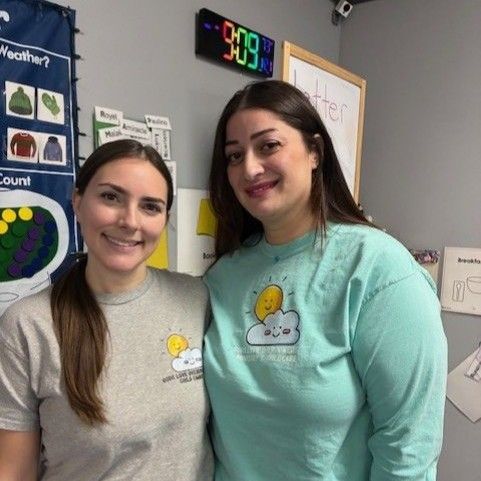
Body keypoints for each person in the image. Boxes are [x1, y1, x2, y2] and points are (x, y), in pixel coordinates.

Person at [203, 80, 447, 481]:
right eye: (234, 156)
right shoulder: (223, 277)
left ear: (314, 152)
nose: (249, 168)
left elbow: (408, 446)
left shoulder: (378, 269)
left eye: (268, 146)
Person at [0, 139, 213, 480]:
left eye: (150, 207)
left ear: (164, 220)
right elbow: (14, 469)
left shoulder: (195, 298)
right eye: (111, 197)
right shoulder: (27, 325)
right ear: (78, 201)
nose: (130, 221)